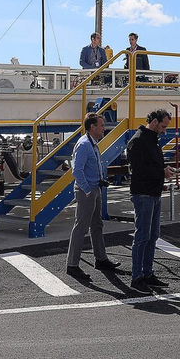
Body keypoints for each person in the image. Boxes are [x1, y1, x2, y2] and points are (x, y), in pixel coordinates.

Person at [66, 113, 117, 280]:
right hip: (87, 191)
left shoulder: (93, 143)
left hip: (95, 189)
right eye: (101, 125)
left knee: (97, 225)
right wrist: (87, 190)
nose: (104, 128)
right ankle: (72, 265)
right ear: (92, 127)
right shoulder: (84, 145)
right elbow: (77, 170)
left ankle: (101, 258)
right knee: (81, 227)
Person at [128, 109, 173, 291]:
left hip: (153, 193)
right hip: (143, 194)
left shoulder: (152, 140)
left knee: (152, 236)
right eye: (163, 126)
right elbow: (139, 170)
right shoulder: (138, 141)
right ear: (154, 121)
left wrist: (160, 179)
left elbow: (152, 166)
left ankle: (147, 273)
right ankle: (137, 275)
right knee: (142, 236)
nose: (164, 130)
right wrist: (161, 173)